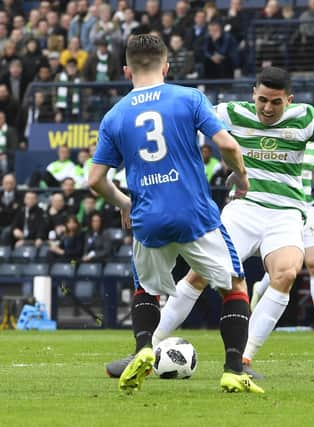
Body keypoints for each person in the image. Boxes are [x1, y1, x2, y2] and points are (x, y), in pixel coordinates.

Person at [107, 66, 314, 379]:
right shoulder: (230, 113)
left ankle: (243, 359)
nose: (268, 108)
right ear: (252, 95)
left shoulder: (306, 117)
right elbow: (177, 122)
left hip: (285, 212)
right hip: (243, 209)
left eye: (276, 102)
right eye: (262, 100)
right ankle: (144, 353)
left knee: (285, 274)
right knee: (198, 277)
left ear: (289, 100)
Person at [89, 34, 263, 393]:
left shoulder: (115, 114)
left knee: (146, 288)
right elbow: (228, 144)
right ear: (166, 67)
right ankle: (233, 369)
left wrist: (124, 204)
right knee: (234, 286)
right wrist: (241, 177)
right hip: (194, 212)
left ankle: (142, 350)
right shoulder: (189, 97)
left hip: (147, 216)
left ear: (126, 70)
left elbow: (95, 180)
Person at [250, 142, 314, 336]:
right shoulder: (279, 141)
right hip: (283, 210)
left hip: (307, 210)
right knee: (282, 266)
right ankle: (260, 287)